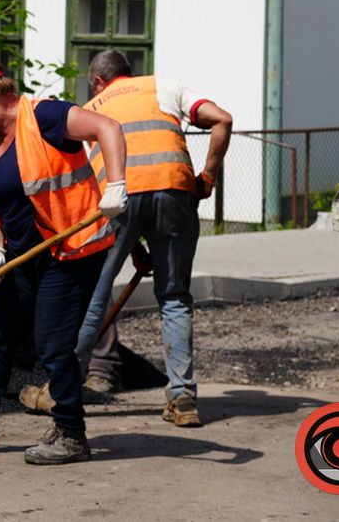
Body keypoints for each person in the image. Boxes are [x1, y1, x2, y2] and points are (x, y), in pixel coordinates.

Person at [0, 59, 128, 465]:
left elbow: (109, 128)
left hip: (68, 250)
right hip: (21, 253)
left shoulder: (46, 116)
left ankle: (71, 433)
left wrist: (117, 185)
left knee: (52, 344)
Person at [74, 50, 232, 427]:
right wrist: (207, 177)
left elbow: (108, 194)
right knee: (174, 297)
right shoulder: (163, 87)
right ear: (130, 73)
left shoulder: (90, 109)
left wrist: (134, 249)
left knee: (95, 294)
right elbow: (222, 120)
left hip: (120, 198)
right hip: (176, 193)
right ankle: (182, 399)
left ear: (98, 81)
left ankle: (63, 388)